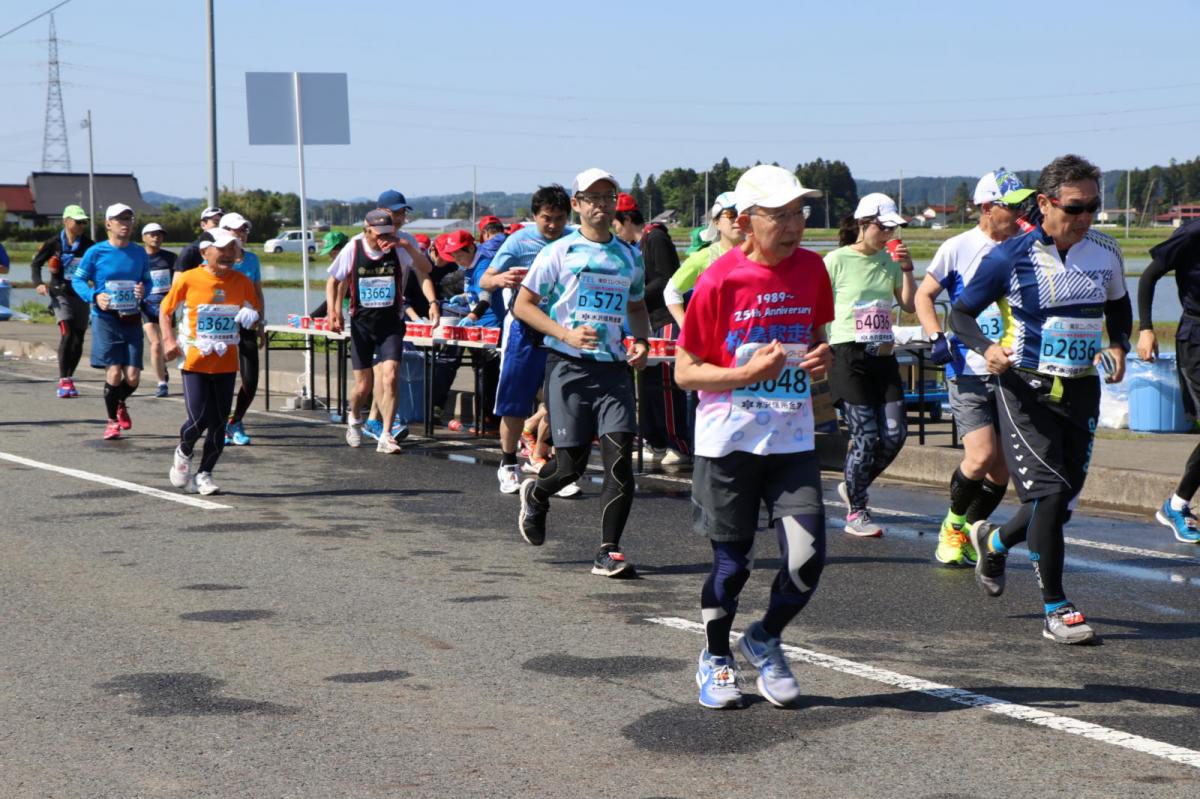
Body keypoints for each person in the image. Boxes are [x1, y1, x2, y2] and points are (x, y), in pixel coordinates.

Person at [953, 154, 1131, 645]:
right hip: (1024, 390)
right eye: (1075, 208)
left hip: (1080, 390)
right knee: (1049, 496)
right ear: (1046, 203)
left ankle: (994, 539)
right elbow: (961, 315)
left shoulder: (1105, 251)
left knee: (1060, 504)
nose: (1085, 218)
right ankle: (1056, 606)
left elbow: (1117, 302)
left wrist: (1117, 341)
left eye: (1094, 206)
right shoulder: (1011, 256)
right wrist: (987, 349)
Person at [675, 164, 833, 709]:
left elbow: (817, 337)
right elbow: (685, 371)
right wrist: (745, 376)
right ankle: (716, 657)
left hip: (791, 439)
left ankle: (764, 637)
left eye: (799, 213)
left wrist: (821, 356)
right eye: (779, 215)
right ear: (746, 220)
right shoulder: (720, 279)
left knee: (806, 559)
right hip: (728, 442)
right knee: (732, 564)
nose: (793, 226)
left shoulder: (814, 269)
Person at [514, 167, 653, 577]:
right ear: (576, 204)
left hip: (613, 370)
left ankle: (608, 550)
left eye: (608, 197)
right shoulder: (558, 251)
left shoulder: (629, 254)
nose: (601, 205)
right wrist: (565, 335)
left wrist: (641, 342)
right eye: (592, 198)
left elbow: (637, 306)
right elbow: (523, 305)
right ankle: (537, 494)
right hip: (568, 366)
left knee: (619, 464)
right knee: (570, 466)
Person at [914, 169, 1032, 565]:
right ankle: (951, 528)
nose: (1019, 213)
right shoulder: (957, 247)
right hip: (967, 369)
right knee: (980, 458)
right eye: (1010, 206)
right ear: (986, 207)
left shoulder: (1024, 247)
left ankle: (968, 529)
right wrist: (936, 337)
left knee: (1002, 471)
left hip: (1010, 372)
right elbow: (923, 295)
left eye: (1021, 206)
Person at [824, 193, 916, 536]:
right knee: (866, 436)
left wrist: (907, 269)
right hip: (847, 354)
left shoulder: (890, 261)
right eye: (884, 227)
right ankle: (857, 510)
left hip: (883, 354)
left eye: (894, 228)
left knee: (895, 435)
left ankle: (853, 484)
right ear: (864, 224)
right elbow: (817, 305)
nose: (890, 235)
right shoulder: (835, 260)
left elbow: (907, 305)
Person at [479, 185, 572, 493]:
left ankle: (551, 463)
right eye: (547, 218)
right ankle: (507, 463)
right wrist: (500, 279)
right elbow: (485, 279)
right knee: (515, 402)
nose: (553, 225)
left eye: (559, 218)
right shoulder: (518, 241)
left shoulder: (574, 240)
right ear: (534, 216)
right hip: (522, 329)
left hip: (561, 329)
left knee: (562, 401)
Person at [326, 209, 438, 454]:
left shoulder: (399, 248)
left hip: (391, 324)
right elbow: (333, 280)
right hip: (362, 325)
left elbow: (426, 268)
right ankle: (354, 418)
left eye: (388, 233)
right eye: (378, 235)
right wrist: (333, 312)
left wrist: (407, 246)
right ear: (367, 231)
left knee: (391, 377)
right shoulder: (353, 248)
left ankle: (386, 435)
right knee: (363, 386)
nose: (383, 239)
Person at [161, 228, 262, 495]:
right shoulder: (190, 278)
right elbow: (165, 309)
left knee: (218, 423)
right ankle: (184, 451)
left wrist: (251, 317)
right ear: (206, 252)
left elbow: (253, 310)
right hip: (195, 359)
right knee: (198, 419)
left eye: (232, 249)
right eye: (222, 249)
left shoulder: (242, 281)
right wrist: (169, 340)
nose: (228, 255)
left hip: (226, 361)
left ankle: (204, 474)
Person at [1137, 216, 1200, 543]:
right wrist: (1146, 328)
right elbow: (1149, 276)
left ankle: (1177, 504)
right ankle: (1177, 506)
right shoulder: (1192, 233)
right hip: (1196, 338)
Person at [70, 204, 152, 440]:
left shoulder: (139, 253)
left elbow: (148, 282)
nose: (125, 223)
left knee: (133, 376)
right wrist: (94, 296)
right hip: (105, 319)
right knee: (114, 373)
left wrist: (142, 291)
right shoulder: (96, 252)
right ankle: (112, 421)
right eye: (119, 219)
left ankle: (120, 401)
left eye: (129, 218)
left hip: (132, 318)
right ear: (108, 224)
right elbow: (78, 281)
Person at [31, 204, 94, 398]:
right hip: (59, 293)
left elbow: (98, 267)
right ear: (66, 221)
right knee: (67, 334)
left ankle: (70, 377)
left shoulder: (89, 245)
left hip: (81, 294)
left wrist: (95, 283)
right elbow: (36, 263)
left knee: (78, 339)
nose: (82, 225)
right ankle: (63, 380)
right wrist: (39, 283)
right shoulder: (53, 243)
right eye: (78, 221)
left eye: (84, 222)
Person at [216, 213, 265, 446]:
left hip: (246, 325)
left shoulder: (252, 260)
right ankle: (219, 423)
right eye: (236, 230)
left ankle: (235, 421)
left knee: (251, 381)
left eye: (244, 230)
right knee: (222, 380)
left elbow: (257, 292)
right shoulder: (213, 260)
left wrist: (261, 323)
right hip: (221, 328)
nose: (241, 234)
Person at [664, 192, 742, 328]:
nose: (738, 219)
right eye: (731, 214)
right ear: (716, 222)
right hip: (715, 341)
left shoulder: (761, 255)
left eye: (743, 214)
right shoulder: (705, 257)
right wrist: (686, 328)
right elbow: (671, 291)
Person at [139, 222, 177, 398]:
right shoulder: (138, 258)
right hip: (147, 307)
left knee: (171, 350)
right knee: (155, 345)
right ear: (144, 237)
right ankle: (162, 384)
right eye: (152, 234)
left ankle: (161, 364)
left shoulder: (171, 258)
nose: (157, 237)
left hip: (167, 308)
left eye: (160, 234)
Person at [174, 206, 223, 273]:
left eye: (222, 224)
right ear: (203, 225)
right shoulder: (191, 250)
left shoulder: (227, 249)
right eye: (216, 223)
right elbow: (178, 281)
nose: (219, 227)